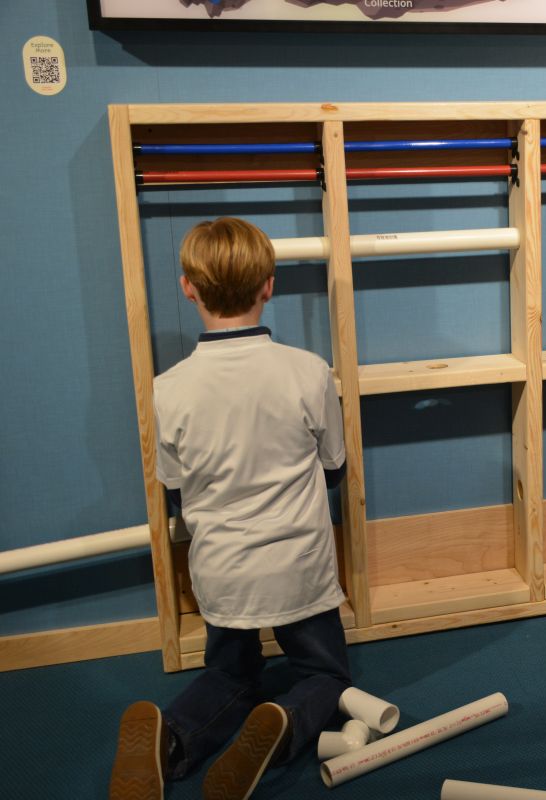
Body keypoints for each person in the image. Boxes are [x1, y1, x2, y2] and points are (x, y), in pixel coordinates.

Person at [110, 218, 350, 799]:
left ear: (188, 288)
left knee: (229, 674)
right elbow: (334, 468)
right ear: (269, 285)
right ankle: (285, 724)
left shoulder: (168, 389)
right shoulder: (308, 371)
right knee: (325, 675)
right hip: (298, 566)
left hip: (221, 571)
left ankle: (175, 739)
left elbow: (176, 488)